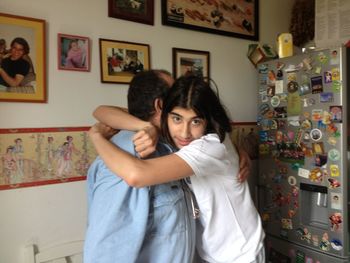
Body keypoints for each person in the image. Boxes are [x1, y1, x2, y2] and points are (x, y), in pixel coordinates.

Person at [89, 75, 264, 263]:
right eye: (177, 118)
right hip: (212, 252)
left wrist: (96, 137)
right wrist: (145, 126)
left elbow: (136, 175)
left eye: (195, 121)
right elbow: (102, 111)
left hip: (239, 254)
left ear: (206, 120)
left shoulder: (208, 146)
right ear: (162, 109)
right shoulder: (184, 138)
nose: (184, 132)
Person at [84, 70, 196, 263]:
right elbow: (108, 249)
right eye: (176, 97)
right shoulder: (127, 155)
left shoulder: (167, 145)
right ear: (160, 105)